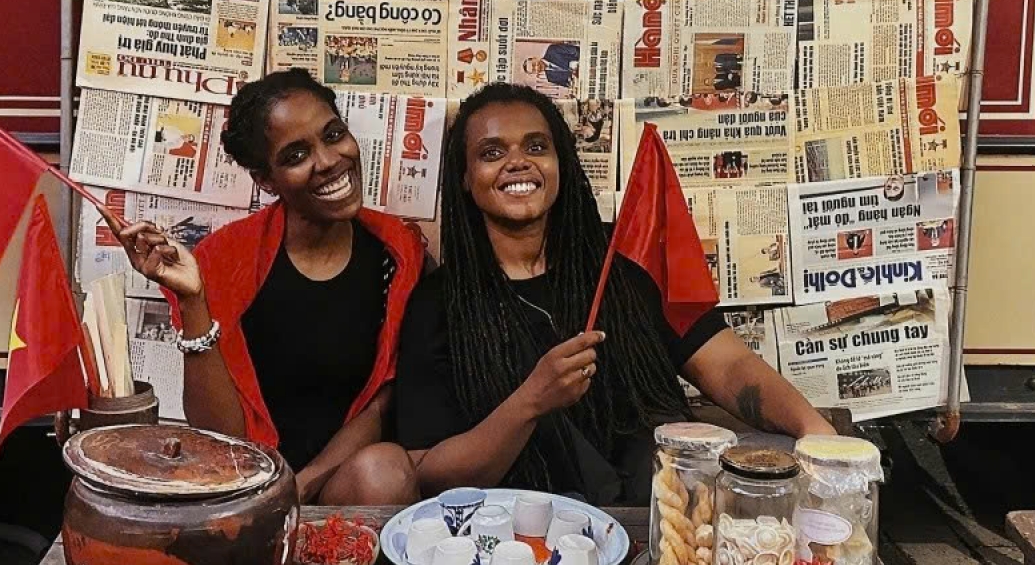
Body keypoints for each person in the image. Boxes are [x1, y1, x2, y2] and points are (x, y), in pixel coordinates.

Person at [395, 83, 833, 503]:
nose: (518, 162)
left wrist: (816, 432)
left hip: (659, 523)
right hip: (521, 538)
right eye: (491, 153)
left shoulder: (621, 266)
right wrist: (531, 402)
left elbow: (730, 365)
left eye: (536, 147)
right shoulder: (439, 304)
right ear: (466, 179)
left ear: (561, 162)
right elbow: (430, 471)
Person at [105, 68, 424, 504]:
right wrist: (193, 299)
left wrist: (301, 485)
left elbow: (382, 403)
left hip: (339, 486)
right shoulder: (223, 260)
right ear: (265, 180)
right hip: (246, 485)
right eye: (295, 156)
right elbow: (218, 438)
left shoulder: (398, 253)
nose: (328, 160)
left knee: (385, 470)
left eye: (333, 134)